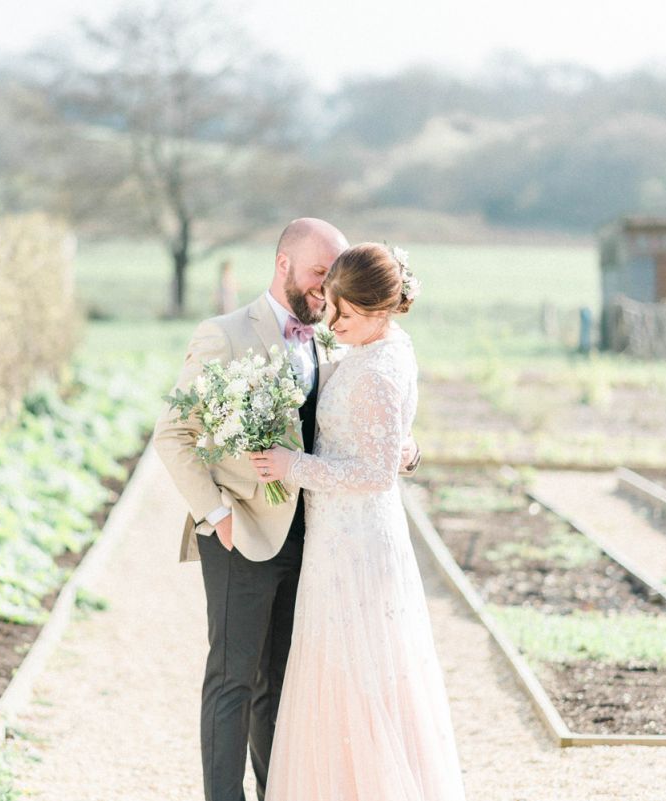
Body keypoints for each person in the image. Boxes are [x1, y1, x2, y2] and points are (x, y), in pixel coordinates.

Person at [153, 218, 422, 801]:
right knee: (233, 680)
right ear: (284, 265)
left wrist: (407, 449)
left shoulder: (333, 333)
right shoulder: (223, 334)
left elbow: (364, 427)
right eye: (320, 273)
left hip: (321, 541)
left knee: (281, 687)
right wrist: (216, 516)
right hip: (242, 534)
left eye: (336, 276)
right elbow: (173, 435)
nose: (328, 291)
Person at [249, 243, 467, 801]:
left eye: (345, 314)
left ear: (382, 310)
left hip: (356, 540)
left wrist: (290, 465)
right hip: (340, 533)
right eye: (332, 308)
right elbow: (386, 445)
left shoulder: (380, 369)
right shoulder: (376, 345)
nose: (332, 322)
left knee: (354, 666)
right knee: (340, 666)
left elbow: (374, 473)